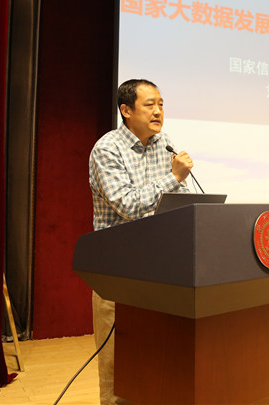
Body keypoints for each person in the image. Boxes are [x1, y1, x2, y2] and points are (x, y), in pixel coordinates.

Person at [88, 79, 193, 405]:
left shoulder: (165, 144)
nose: (158, 111)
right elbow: (127, 204)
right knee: (118, 363)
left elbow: (182, 200)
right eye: (150, 105)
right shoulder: (107, 149)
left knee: (157, 357)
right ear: (126, 110)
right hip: (117, 269)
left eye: (161, 104)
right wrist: (173, 178)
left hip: (160, 269)